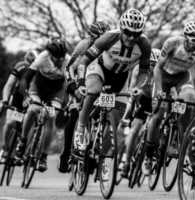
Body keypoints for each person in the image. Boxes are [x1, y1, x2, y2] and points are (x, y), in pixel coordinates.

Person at [74, 8, 151, 181]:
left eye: (136, 33)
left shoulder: (144, 44)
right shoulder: (108, 38)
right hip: (100, 70)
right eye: (128, 32)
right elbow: (84, 61)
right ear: (121, 29)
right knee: (93, 92)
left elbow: (144, 72)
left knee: (113, 123)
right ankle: (81, 127)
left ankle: (104, 161)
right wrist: (80, 83)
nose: (132, 37)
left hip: (121, 78)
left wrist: (137, 86)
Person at [142, 21, 195, 175]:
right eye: (194, 40)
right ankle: (149, 156)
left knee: (189, 103)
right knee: (158, 115)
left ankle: (178, 143)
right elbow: (158, 68)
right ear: (186, 37)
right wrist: (159, 89)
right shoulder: (172, 43)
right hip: (164, 76)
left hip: (182, 77)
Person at [57, 21, 110, 173]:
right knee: (74, 114)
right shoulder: (84, 45)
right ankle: (66, 152)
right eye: (97, 38)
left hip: (98, 81)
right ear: (91, 37)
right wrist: (73, 84)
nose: (101, 41)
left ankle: (93, 152)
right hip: (81, 81)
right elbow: (70, 67)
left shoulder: (110, 46)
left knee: (100, 115)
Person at [15, 37, 70, 172]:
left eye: (62, 56)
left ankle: (43, 157)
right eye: (57, 57)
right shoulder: (42, 57)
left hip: (56, 91)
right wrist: (27, 96)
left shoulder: (68, 61)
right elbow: (25, 79)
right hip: (38, 87)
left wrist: (68, 103)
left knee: (51, 117)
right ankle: (22, 142)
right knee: (33, 109)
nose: (61, 59)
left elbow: (70, 84)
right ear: (50, 54)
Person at [119, 49, 161, 178]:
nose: (152, 68)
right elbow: (132, 87)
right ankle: (126, 163)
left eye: (155, 64)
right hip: (142, 99)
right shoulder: (139, 69)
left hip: (156, 100)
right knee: (135, 130)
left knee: (159, 125)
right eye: (150, 64)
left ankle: (152, 154)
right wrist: (133, 100)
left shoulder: (162, 71)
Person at [0, 50, 38, 163]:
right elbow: (8, 86)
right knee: (10, 123)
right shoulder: (20, 67)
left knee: (29, 124)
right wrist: (5, 100)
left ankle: (24, 151)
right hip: (17, 99)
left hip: (31, 101)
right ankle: (5, 149)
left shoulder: (42, 70)